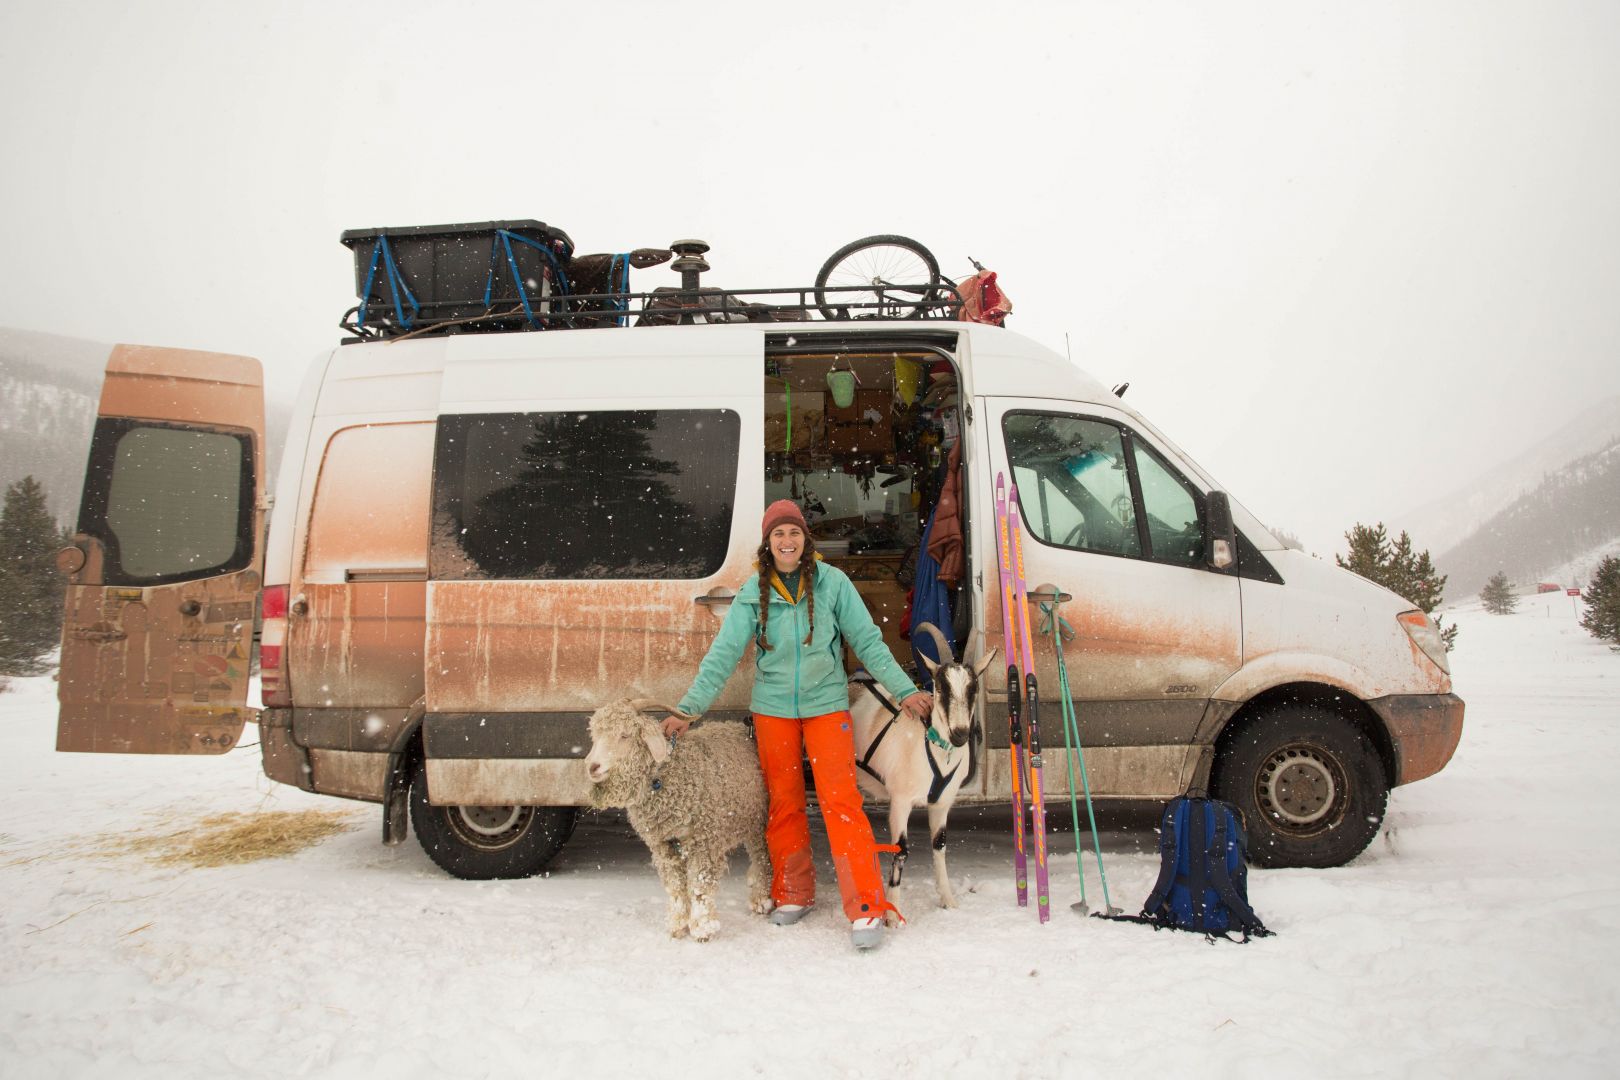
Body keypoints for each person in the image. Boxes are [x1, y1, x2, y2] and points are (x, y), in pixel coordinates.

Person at [669, 499, 933, 950]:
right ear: (767, 543)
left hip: (826, 707)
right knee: (784, 803)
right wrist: (687, 710)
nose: (787, 541)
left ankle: (865, 905)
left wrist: (905, 691)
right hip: (772, 711)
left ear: (805, 540)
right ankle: (794, 891)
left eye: (794, 533)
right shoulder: (753, 593)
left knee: (841, 802)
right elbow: (722, 657)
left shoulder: (833, 583)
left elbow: (868, 642)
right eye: (778, 534)